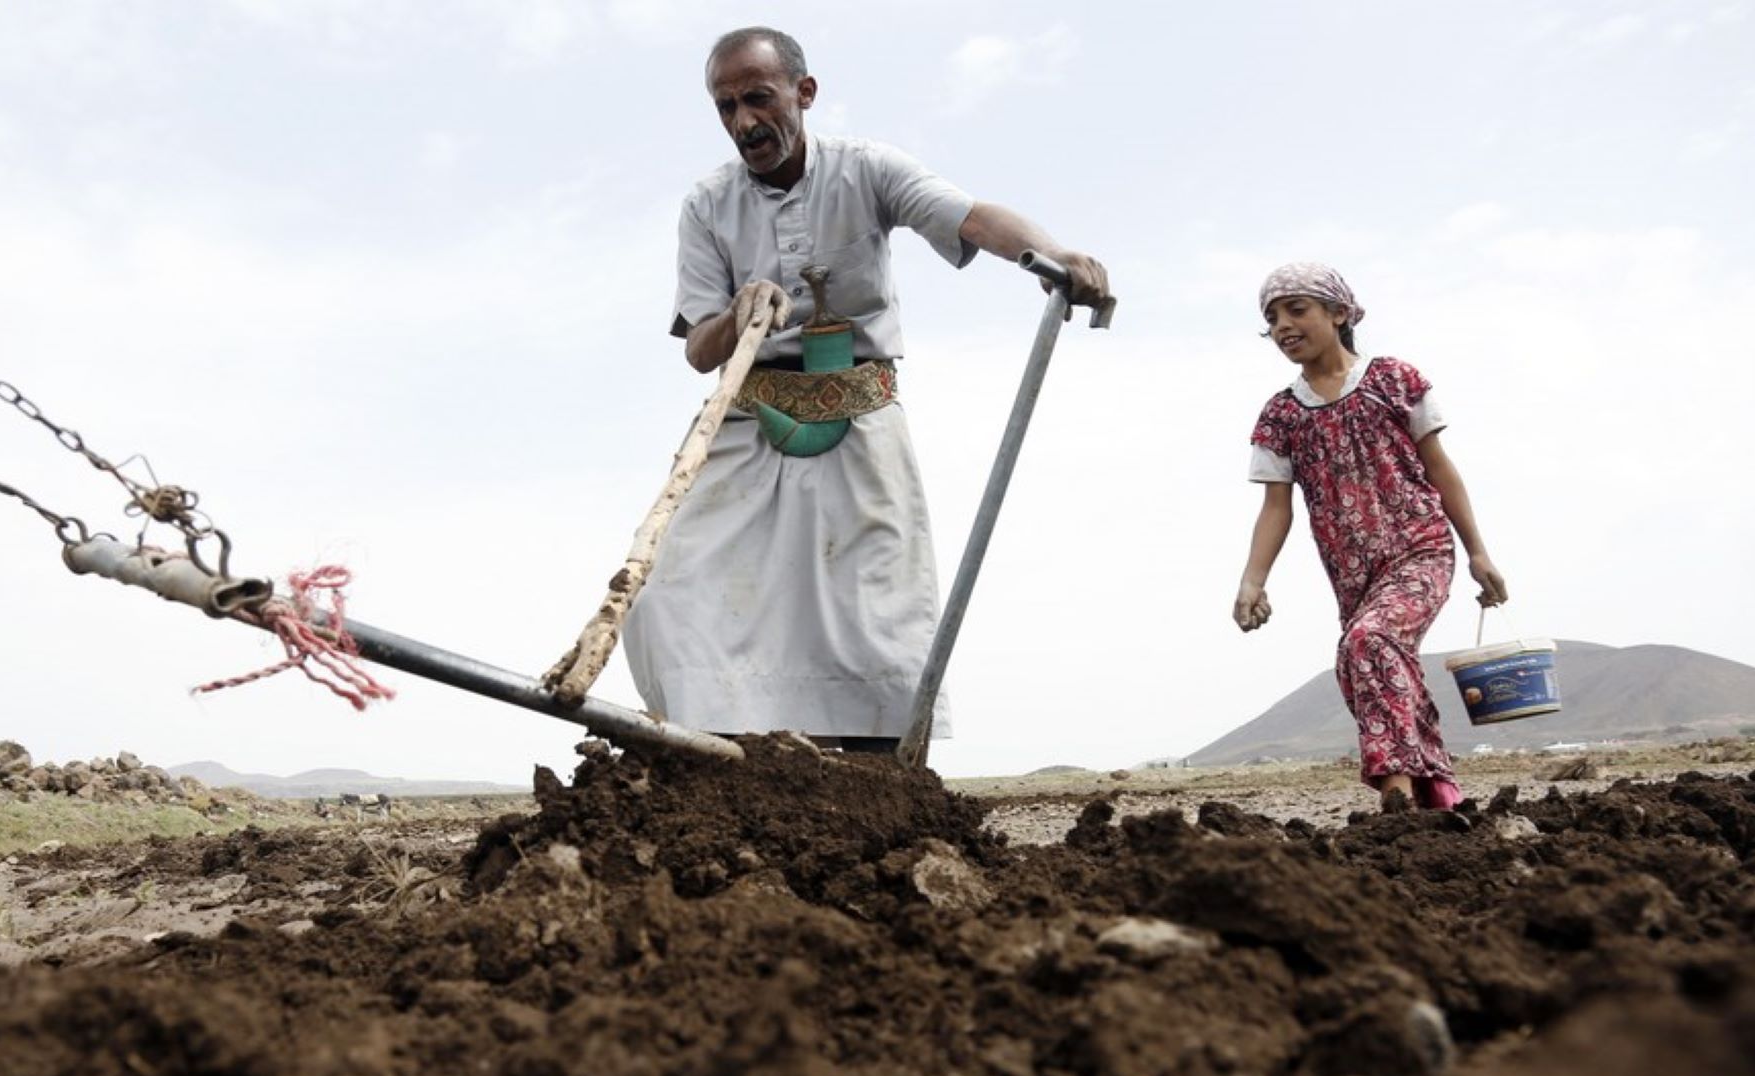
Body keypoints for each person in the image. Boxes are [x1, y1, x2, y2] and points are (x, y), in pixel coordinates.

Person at [621, 26, 1111, 753]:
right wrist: (737, 313)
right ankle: (716, 764)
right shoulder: (707, 206)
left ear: (804, 93)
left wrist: (1053, 255)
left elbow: (970, 217)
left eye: (758, 99)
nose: (744, 123)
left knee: (872, 612)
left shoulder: (865, 171)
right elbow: (699, 349)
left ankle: (880, 781)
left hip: (858, 414)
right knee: (668, 593)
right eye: (725, 108)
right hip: (747, 420)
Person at [1233, 262, 1505, 811]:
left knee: (1370, 642)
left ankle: (1398, 795)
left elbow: (1440, 469)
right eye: (1271, 318)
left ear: (1339, 313)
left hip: (1420, 548)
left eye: (1296, 309)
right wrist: (1252, 581)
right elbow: (1275, 509)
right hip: (1353, 575)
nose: (1283, 325)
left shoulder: (1394, 381)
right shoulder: (1281, 416)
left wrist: (1478, 552)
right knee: (1361, 662)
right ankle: (1438, 793)